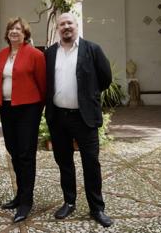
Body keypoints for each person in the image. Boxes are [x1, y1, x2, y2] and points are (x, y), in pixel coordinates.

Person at [44, 12, 113, 228]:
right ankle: (69, 201)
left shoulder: (92, 50)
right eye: (62, 24)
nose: (66, 27)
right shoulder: (49, 53)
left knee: (90, 163)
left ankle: (97, 208)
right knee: (64, 162)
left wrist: (86, 96)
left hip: (85, 118)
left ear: (76, 25)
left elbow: (105, 78)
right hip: (58, 118)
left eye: (69, 23)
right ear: (57, 28)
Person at [0, 17, 46, 223]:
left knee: (26, 154)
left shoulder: (35, 55)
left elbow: (43, 84)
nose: (14, 32)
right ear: (7, 34)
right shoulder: (1, 55)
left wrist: (39, 109)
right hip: (7, 108)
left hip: (28, 109)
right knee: (13, 151)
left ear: (25, 34)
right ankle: (19, 194)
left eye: (18, 29)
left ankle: (26, 201)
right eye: (11, 29)